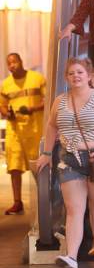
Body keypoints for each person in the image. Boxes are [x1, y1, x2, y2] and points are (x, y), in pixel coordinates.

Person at [36, 57, 94, 268]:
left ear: (89, 76)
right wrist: (47, 153)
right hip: (70, 159)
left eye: (79, 72)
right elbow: (51, 126)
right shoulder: (60, 100)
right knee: (74, 209)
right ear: (66, 77)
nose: (75, 76)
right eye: (71, 73)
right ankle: (72, 255)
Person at [0, 53, 45, 215]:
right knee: (14, 167)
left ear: (21, 61)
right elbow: (2, 105)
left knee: (39, 167)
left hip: (35, 130)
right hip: (15, 131)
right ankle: (17, 202)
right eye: (9, 63)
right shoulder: (5, 85)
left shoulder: (37, 78)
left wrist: (32, 109)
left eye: (14, 62)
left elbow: (48, 99)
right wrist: (7, 113)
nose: (12, 65)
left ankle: (44, 199)